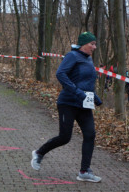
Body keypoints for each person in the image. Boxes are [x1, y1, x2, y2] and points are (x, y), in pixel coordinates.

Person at [31, 32, 103, 183]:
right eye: (92, 44)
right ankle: (39, 153)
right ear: (84, 44)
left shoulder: (88, 59)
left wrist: (95, 98)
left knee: (90, 135)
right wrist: (77, 92)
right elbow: (61, 74)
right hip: (68, 103)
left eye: (95, 44)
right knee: (65, 137)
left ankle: (84, 171)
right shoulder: (72, 56)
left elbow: (87, 82)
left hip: (84, 104)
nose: (94, 47)